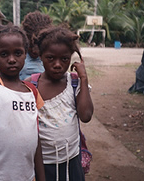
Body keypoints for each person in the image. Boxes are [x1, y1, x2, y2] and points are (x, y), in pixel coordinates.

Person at [0, 23, 46, 181]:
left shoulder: (32, 92)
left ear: (25, 54)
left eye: (18, 53)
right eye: (4, 54)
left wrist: (41, 177)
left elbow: (35, 138)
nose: (12, 59)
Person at [26, 25, 94, 181]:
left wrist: (83, 78)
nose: (57, 64)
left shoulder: (74, 83)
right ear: (40, 56)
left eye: (64, 59)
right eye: (50, 58)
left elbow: (86, 115)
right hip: (42, 164)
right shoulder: (31, 86)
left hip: (71, 161)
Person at [20, 11, 53, 80]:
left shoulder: (53, 58)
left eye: (39, 46)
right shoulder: (17, 58)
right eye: (30, 45)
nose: (34, 51)